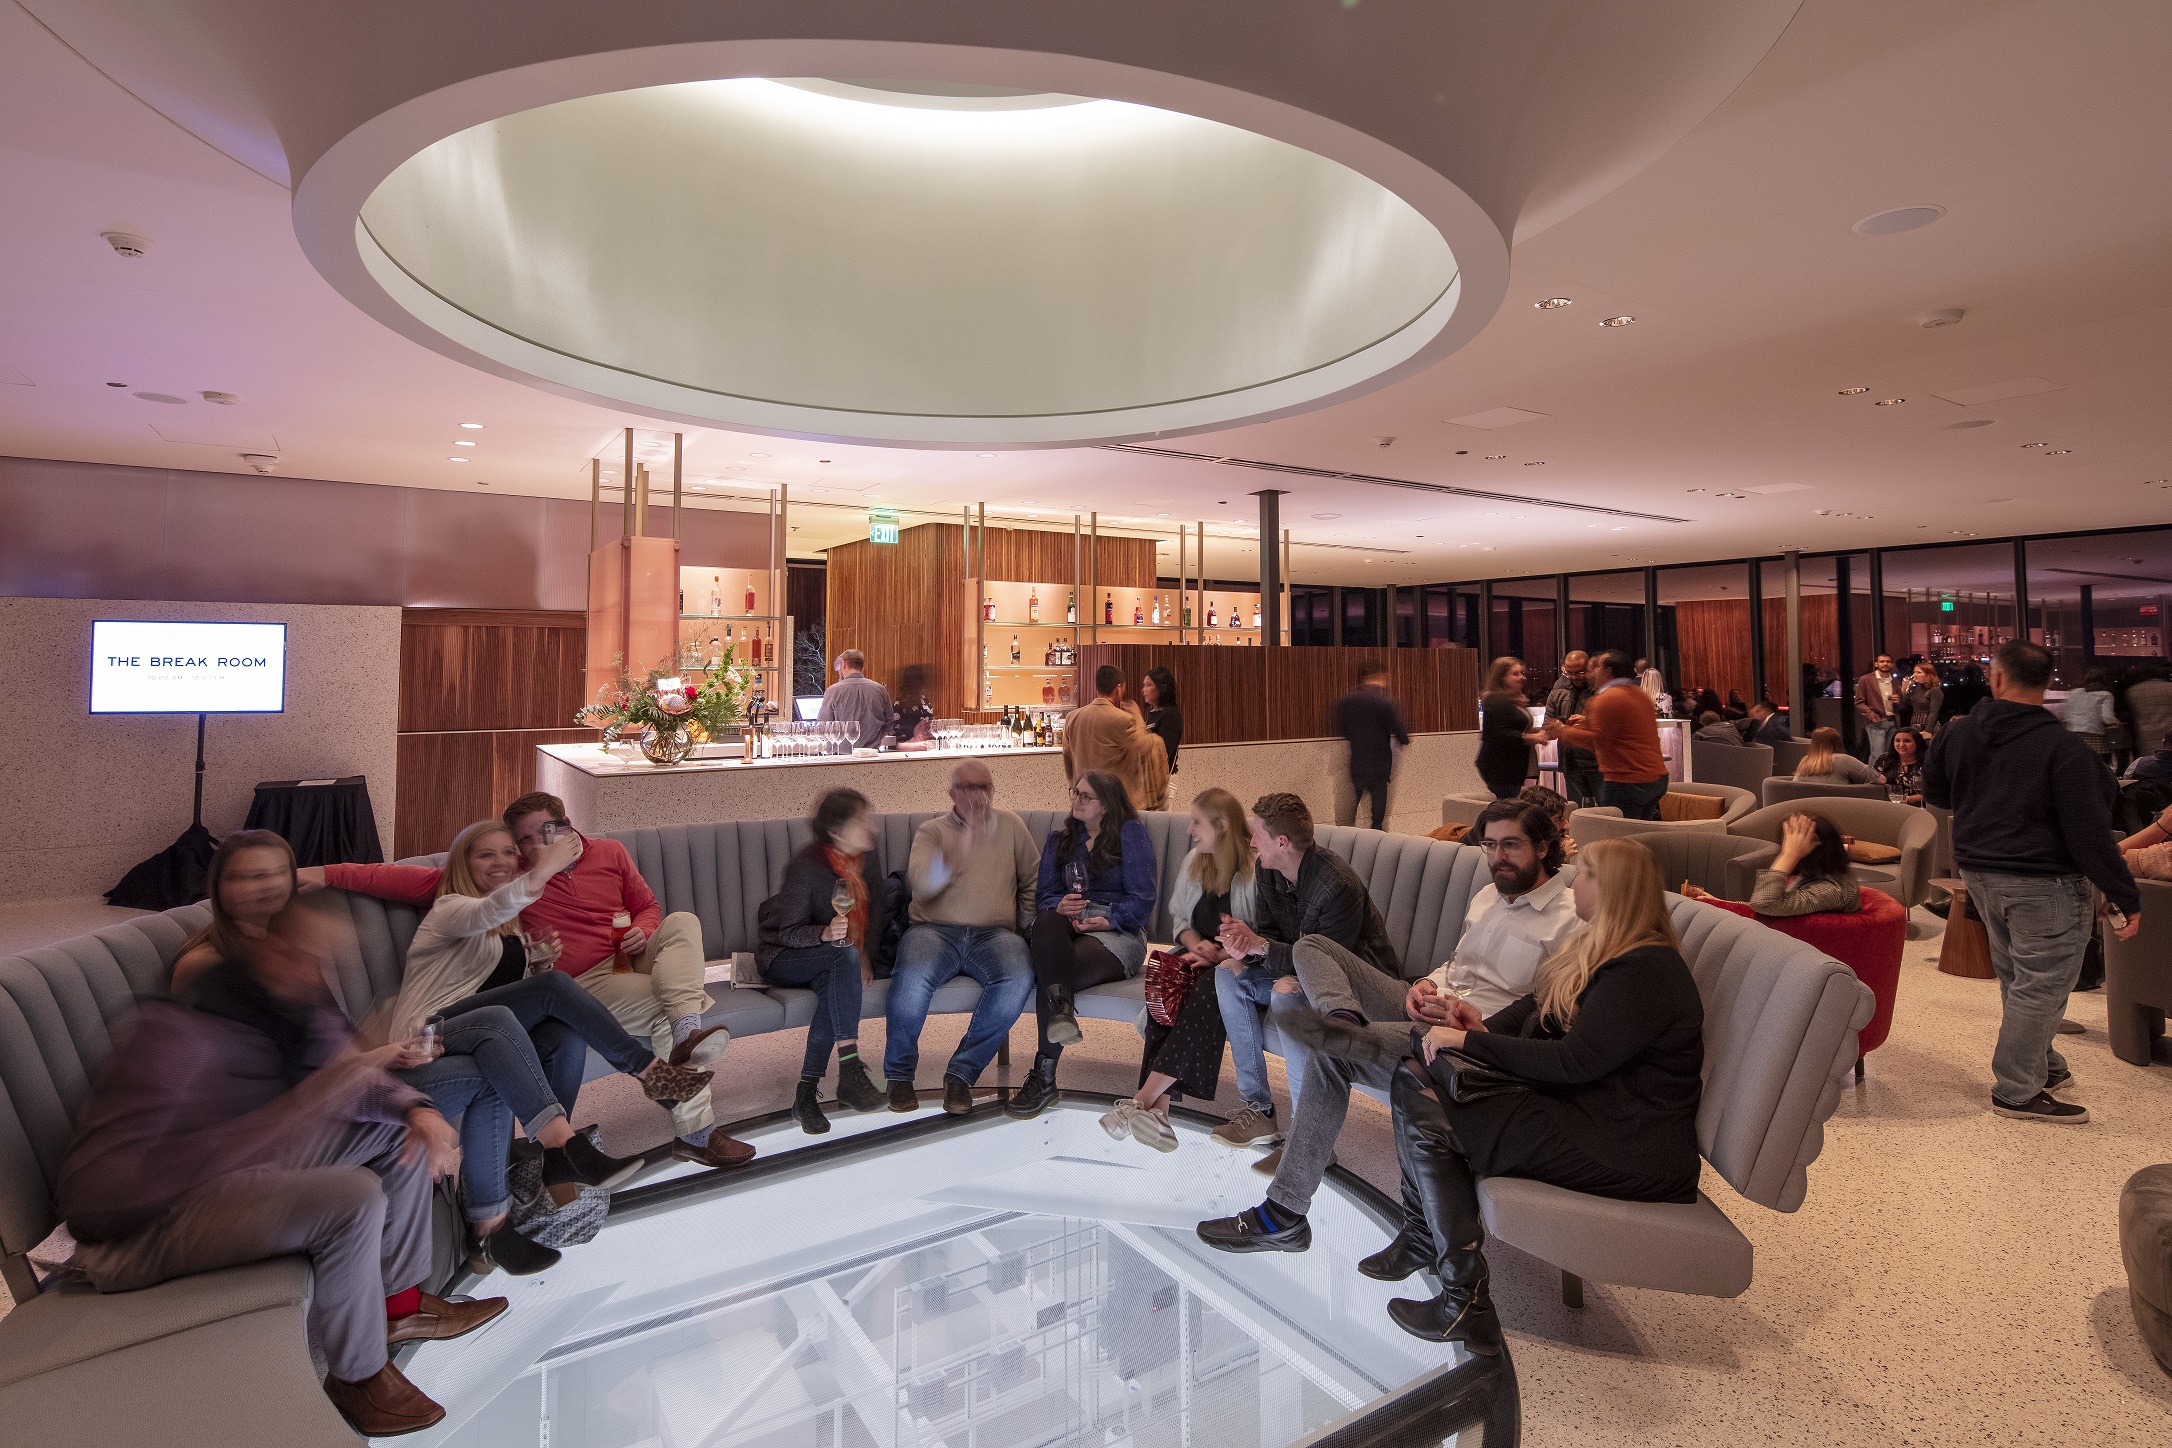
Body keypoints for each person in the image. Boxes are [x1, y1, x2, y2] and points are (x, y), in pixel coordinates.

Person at [60, 831, 505, 1437]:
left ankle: (397, 1304)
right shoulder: (193, 1027)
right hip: (142, 1223)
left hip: (233, 1167)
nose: (317, 973)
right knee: (351, 1198)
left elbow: (342, 1069)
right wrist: (307, 1109)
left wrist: (416, 1111)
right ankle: (357, 1376)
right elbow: (110, 1189)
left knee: (397, 1137)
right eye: (303, 959)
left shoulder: (285, 994)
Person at [1363, 837, 1704, 1348]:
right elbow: (1539, 1011)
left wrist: (1473, 1040)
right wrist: (1480, 1026)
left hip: (1627, 1142)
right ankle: (1426, 1242)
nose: (1573, 881)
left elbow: (1574, 1061)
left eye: (1584, 873)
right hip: (1591, 1112)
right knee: (1415, 1072)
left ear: (1610, 888)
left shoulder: (1645, 969)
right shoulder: (1605, 952)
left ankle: (1463, 1299)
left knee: (1426, 1098)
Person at [308, 791, 753, 1171]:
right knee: (655, 1008)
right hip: (582, 985)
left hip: (627, 958)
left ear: (567, 825)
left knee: (681, 921)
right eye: (523, 839)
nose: (534, 845)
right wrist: (325, 873)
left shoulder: (610, 852)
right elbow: (420, 883)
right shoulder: (513, 876)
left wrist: (645, 926)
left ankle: (686, 1031)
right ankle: (696, 1129)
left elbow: (648, 905)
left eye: (546, 832)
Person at [373, 818, 718, 1273]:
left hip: (470, 1044)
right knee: (537, 1000)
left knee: (557, 1030)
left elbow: (495, 986)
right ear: (463, 864)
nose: (501, 862)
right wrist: (547, 866)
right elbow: (484, 917)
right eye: (486, 854)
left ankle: (490, 1229)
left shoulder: (507, 933)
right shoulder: (451, 908)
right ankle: (592, 1120)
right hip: (424, 1043)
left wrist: (534, 965)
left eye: (507, 853)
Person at [1923, 639, 2141, 1125]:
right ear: (2045, 685)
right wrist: (2124, 893)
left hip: (1978, 872)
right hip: (2043, 881)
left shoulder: (1956, 735)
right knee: (2042, 984)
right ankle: (2017, 1090)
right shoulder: (2064, 749)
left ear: (1996, 679)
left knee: (2021, 979)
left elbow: (1936, 792)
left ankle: (2042, 1062)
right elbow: (2090, 830)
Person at [1208, 792, 1402, 1171]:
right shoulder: (1269, 871)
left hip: (1354, 990)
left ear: (1281, 842)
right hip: (1302, 972)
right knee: (1227, 975)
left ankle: (1306, 1140)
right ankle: (1259, 1109)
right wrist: (1244, 945)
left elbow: (1324, 965)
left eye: (1256, 836)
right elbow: (1268, 937)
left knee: (1287, 997)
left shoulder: (1337, 886)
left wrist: (1262, 948)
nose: (1251, 843)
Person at [1100, 788, 1262, 1152]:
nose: (1190, 829)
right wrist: (1195, 945)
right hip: (1197, 958)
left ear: (1221, 825)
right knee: (1165, 995)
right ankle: (1158, 1114)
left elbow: (1259, 935)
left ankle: (1141, 1102)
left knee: (1202, 997)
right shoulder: (1196, 861)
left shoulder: (1254, 870)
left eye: (1197, 822)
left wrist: (1219, 953)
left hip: (1238, 963)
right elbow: (1180, 920)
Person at [888, 760, 1040, 1114]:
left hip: (994, 935)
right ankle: (898, 1076)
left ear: (992, 791)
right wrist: (965, 844)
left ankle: (961, 1074)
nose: (976, 795)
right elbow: (922, 886)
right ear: (951, 793)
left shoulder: (1012, 826)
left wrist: (1023, 925)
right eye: (967, 788)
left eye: (983, 787)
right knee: (911, 977)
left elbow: (1033, 882)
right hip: (933, 930)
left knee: (1018, 976)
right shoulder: (932, 831)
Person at [1007, 770, 1160, 1119]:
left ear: (1106, 804)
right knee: (1047, 921)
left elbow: (1143, 897)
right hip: (1065, 923)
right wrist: (1057, 904)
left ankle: (1044, 1075)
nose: (1076, 800)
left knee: (1054, 969)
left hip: (1116, 929)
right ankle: (1061, 1013)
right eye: (1075, 792)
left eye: (1085, 796)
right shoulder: (1058, 840)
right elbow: (1044, 895)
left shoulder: (1129, 834)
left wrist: (1111, 919)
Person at [757, 788, 891, 1133]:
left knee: (838, 978)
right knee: (841, 958)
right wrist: (825, 935)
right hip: (786, 956)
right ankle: (849, 1071)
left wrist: (864, 955)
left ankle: (805, 1096)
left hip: (833, 958)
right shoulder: (807, 866)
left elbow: (875, 912)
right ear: (836, 832)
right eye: (861, 821)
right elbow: (787, 932)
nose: (870, 827)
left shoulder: (867, 859)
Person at [1548, 649, 1669, 820]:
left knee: (1619, 836)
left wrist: (1563, 731)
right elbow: (1623, 731)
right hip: (1655, 778)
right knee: (1643, 834)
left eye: (1594, 667)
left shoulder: (1607, 698)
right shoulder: (1638, 694)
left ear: (1607, 670)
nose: (1589, 673)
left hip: (1628, 779)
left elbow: (1598, 741)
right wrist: (1586, 723)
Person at [1686, 812, 1860, 917]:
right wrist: (1722, 904)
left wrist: (1790, 854)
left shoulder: (1830, 889)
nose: (1785, 847)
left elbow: (1765, 904)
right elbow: (1781, 907)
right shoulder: (1818, 877)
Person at [1063, 664, 1171, 811]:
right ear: (1119, 688)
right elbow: (1145, 745)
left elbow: (1067, 757)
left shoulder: (1072, 717)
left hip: (1084, 800)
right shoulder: (1123, 719)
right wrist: (1138, 716)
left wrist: (1073, 787)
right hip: (1115, 804)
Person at [1335, 661, 1411, 829]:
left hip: (1357, 765)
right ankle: (1376, 848)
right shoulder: (1384, 701)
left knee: (1349, 815)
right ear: (1379, 677)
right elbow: (1402, 735)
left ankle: (1349, 844)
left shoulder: (1348, 701)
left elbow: (1343, 731)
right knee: (1377, 818)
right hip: (1379, 767)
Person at [1476, 656, 1545, 799]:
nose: (1522, 678)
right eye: (1515, 674)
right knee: (1507, 808)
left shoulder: (1513, 700)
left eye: (1522, 673)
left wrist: (1542, 731)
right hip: (1500, 767)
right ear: (1501, 678)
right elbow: (1498, 734)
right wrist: (1533, 737)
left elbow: (1515, 727)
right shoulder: (1494, 700)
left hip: (1512, 767)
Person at [1547, 651, 1602, 806]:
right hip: (1570, 764)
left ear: (1590, 668)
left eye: (1580, 672)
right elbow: (1549, 730)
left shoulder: (1601, 691)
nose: (1574, 677)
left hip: (1599, 764)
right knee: (1577, 813)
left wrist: (1586, 722)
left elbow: (1613, 725)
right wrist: (1558, 728)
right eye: (1569, 672)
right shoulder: (1557, 692)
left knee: (1608, 814)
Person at [816, 648, 893, 749]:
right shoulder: (880, 689)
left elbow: (823, 727)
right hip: (872, 756)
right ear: (862, 668)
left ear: (843, 664)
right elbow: (889, 724)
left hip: (840, 757)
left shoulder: (833, 690)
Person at [2060, 667, 2119, 763]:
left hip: (2075, 734)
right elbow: (2107, 717)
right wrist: (2115, 721)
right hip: (2096, 735)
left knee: (2081, 762)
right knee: (2099, 764)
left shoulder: (2074, 693)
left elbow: (2066, 713)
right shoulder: (2106, 695)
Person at [2125, 661, 2172, 776]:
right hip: (2168, 736)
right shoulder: (2169, 688)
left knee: (2149, 770)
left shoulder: (2132, 691)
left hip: (2144, 737)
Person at [1793, 726, 1884, 784]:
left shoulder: (1804, 762)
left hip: (1807, 811)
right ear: (1837, 742)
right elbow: (1880, 780)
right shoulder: (1843, 760)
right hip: (1841, 810)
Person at [1140, 666, 1183, 775]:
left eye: (1148, 685)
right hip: (1149, 774)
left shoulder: (1170, 714)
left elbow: (1164, 752)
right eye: (1144, 685)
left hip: (1162, 776)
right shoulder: (1153, 712)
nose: (1144, 690)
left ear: (1162, 688)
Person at [1856, 654, 1900, 763]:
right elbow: (1859, 701)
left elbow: (1902, 703)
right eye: (1882, 661)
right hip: (1876, 721)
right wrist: (1871, 716)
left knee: (1890, 753)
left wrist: (1898, 700)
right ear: (1876, 664)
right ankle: (1873, 778)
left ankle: (1886, 777)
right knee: (1878, 754)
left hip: (1893, 721)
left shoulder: (1895, 681)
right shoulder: (1866, 679)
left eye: (1888, 661)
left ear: (1892, 664)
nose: (1885, 664)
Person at [1877, 727, 1929, 804]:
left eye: (1907, 741)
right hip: (1890, 806)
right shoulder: (1885, 759)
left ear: (1917, 743)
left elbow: (1937, 791)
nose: (1901, 745)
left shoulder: (1928, 761)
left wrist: (1906, 799)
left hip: (1922, 807)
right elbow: (1875, 784)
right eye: (1897, 741)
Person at [888, 662, 933, 746]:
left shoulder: (924, 700)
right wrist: (913, 742)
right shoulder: (900, 704)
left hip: (925, 747)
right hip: (908, 751)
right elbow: (894, 741)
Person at [1901, 661, 1944, 733]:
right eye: (1914, 672)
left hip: (1927, 726)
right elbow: (1905, 706)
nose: (1915, 674)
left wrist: (1928, 730)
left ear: (1928, 675)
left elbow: (1934, 712)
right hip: (1914, 724)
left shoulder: (1934, 690)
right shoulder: (1915, 689)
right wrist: (1904, 690)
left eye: (1919, 672)